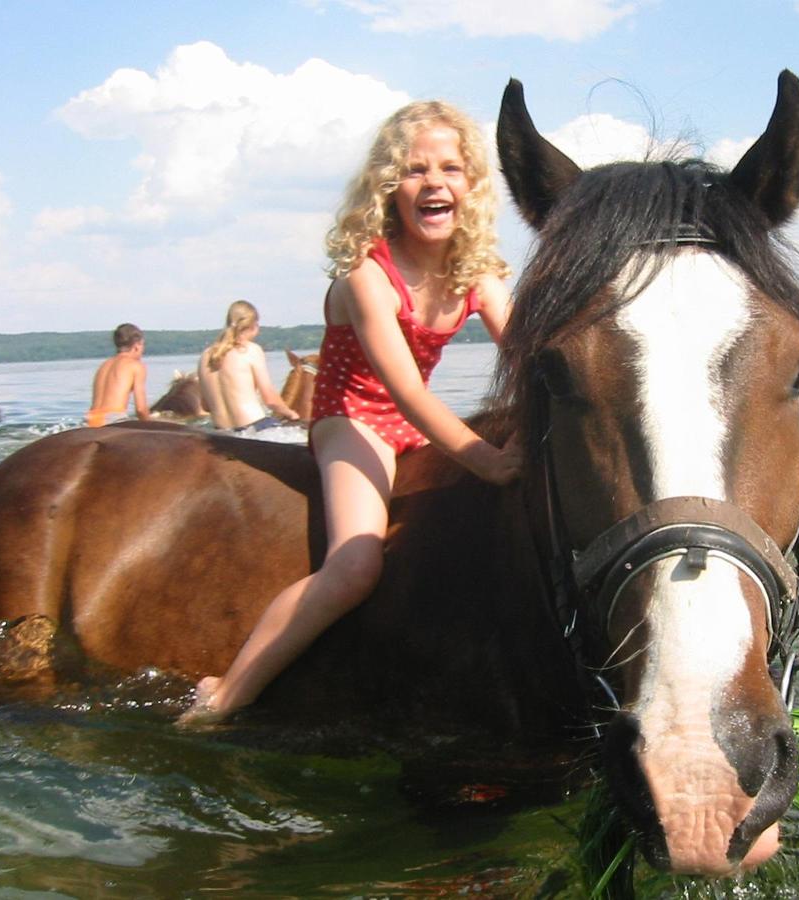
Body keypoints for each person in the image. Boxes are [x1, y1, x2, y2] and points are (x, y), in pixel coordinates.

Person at [179, 100, 523, 725]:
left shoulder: (480, 273)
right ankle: (228, 693)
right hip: (354, 418)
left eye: (450, 168)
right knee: (358, 563)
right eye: (415, 170)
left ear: (471, 186)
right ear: (390, 187)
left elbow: (529, 357)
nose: (434, 182)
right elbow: (411, 396)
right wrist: (488, 460)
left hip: (410, 429)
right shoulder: (370, 275)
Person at [198, 300, 301, 431]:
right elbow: (269, 399)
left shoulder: (206, 356)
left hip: (221, 432)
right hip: (253, 428)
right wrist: (290, 413)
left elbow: (205, 406)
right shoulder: (251, 350)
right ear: (253, 325)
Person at [86, 323, 151, 427]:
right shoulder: (136, 366)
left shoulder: (104, 365)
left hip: (92, 419)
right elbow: (141, 409)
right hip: (113, 419)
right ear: (137, 345)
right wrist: (152, 426)